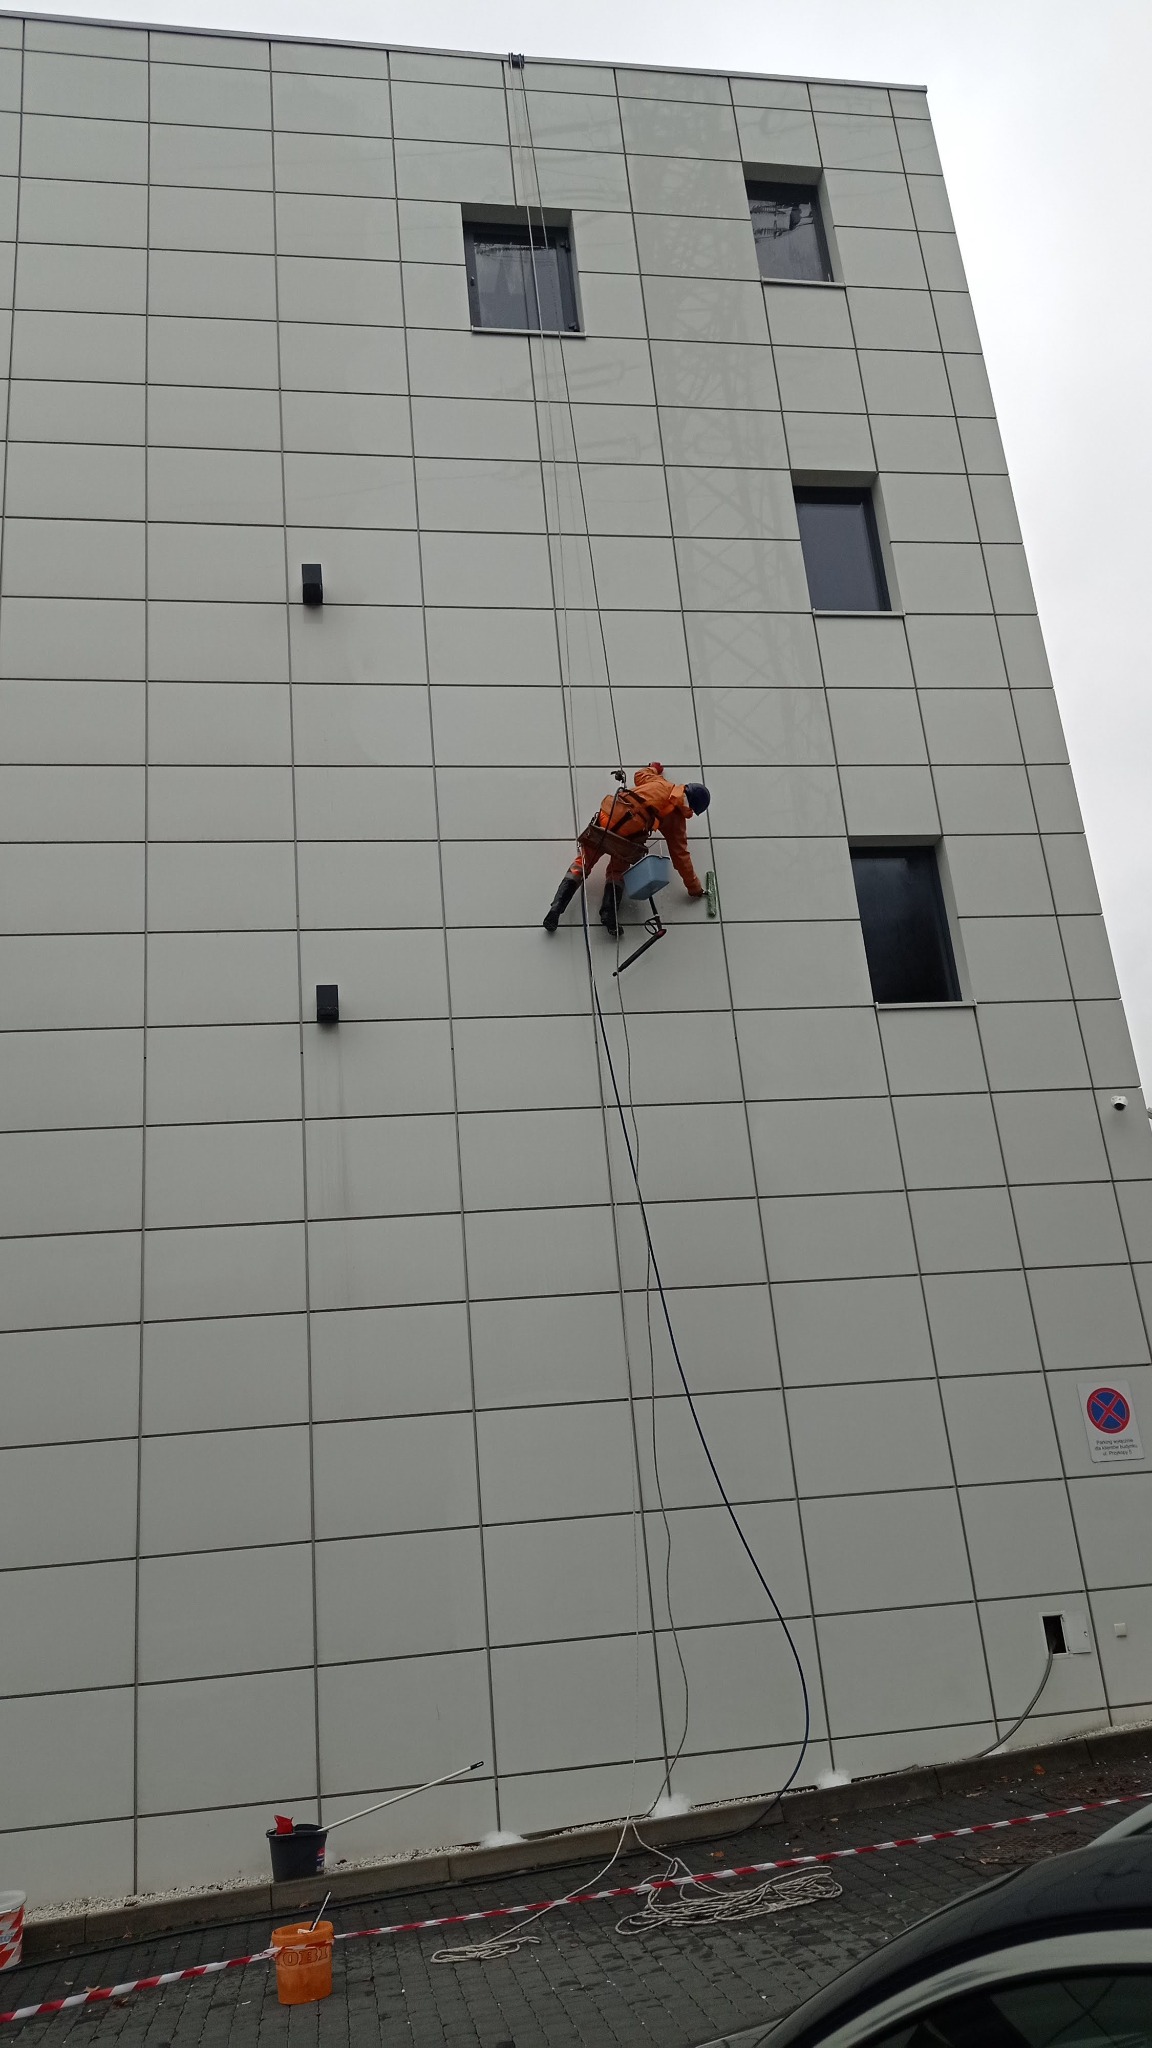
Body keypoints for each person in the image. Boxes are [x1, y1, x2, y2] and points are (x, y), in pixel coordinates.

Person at [543, 763, 711, 937]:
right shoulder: (676, 819)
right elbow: (681, 857)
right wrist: (694, 888)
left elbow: (640, 774)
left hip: (604, 823)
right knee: (616, 873)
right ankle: (609, 915)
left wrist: (653, 768)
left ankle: (556, 908)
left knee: (582, 864)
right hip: (626, 840)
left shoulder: (660, 783)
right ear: (692, 808)